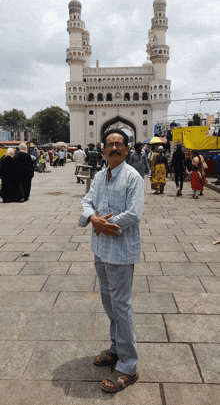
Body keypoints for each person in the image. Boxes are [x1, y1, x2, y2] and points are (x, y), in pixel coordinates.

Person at [79, 128, 145, 394]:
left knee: (121, 304)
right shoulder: (99, 175)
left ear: (127, 149)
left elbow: (133, 213)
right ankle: (118, 348)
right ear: (103, 149)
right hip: (101, 247)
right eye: (110, 144)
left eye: (119, 144)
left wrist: (106, 224)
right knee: (109, 301)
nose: (114, 148)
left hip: (120, 248)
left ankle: (129, 365)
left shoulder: (133, 177)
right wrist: (93, 219)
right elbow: (87, 201)